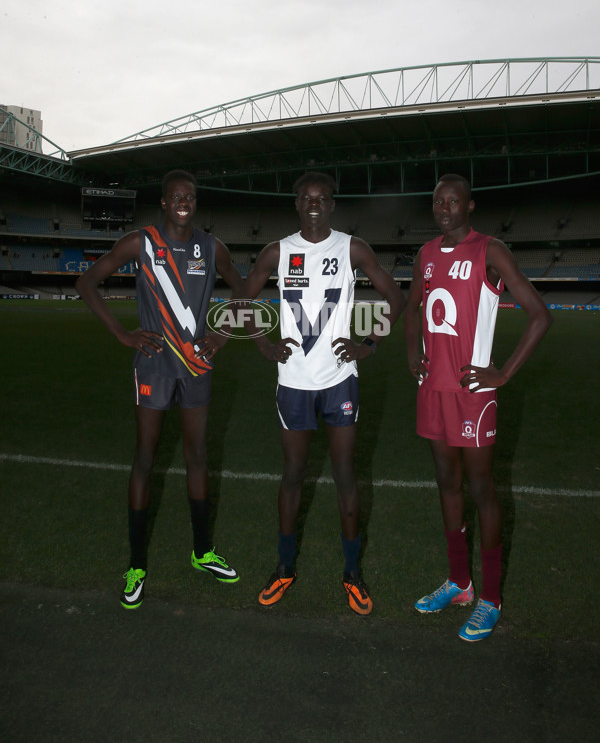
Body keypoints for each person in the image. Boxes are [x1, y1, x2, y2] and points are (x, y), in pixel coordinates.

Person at [76, 170, 243, 609]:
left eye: (190, 195)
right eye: (176, 196)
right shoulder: (140, 243)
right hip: (153, 366)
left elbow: (245, 290)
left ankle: (202, 552)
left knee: (197, 456)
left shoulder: (212, 247)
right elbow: (86, 282)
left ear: (195, 202)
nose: (183, 201)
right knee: (145, 459)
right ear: (164, 203)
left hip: (196, 366)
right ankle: (136, 566)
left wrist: (223, 334)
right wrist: (121, 333)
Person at [243, 171, 405, 615]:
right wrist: (263, 344)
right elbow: (242, 299)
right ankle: (284, 568)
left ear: (332, 205)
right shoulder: (277, 251)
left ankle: (352, 574)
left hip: (340, 381)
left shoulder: (353, 248)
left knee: (345, 476)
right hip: (293, 382)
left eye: (323, 198)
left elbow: (396, 297)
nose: (314, 203)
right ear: (297, 204)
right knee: (292, 475)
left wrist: (368, 344)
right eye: (307, 198)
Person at [403, 173, 552, 641]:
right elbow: (412, 309)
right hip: (434, 390)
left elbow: (539, 314)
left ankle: (490, 597)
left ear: (469, 206)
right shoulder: (425, 255)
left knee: (482, 490)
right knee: (447, 484)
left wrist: (502, 373)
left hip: (473, 395)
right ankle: (459, 582)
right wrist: (412, 349)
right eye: (437, 201)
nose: (444, 208)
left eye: (453, 201)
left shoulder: (490, 250)